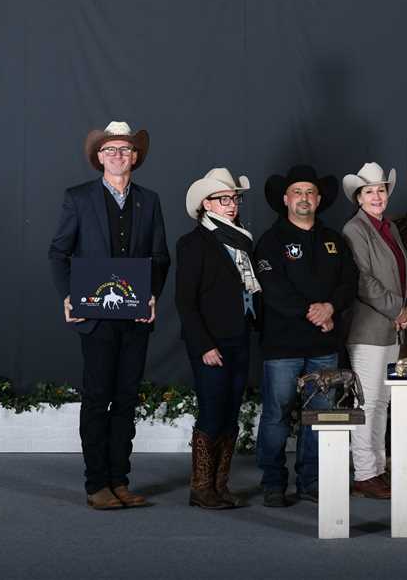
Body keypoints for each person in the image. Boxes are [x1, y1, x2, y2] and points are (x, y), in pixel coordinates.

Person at [48, 120, 170, 510]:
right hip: (95, 317)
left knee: (127, 399)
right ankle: (96, 483)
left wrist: (152, 295)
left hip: (135, 317)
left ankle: (120, 480)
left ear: (135, 157)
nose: (118, 155)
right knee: (98, 398)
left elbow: (160, 256)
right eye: (110, 150)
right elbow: (59, 252)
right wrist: (69, 296)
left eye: (125, 149)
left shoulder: (149, 201)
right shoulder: (78, 198)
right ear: (99, 157)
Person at [253, 165, 358, 507]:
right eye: (297, 192)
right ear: (285, 199)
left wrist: (330, 307)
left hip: (324, 346)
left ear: (319, 199)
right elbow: (273, 290)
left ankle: (311, 481)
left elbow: (349, 282)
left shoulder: (334, 241)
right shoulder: (271, 241)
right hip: (282, 345)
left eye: (310, 192)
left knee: (320, 416)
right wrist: (314, 314)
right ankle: (273, 483)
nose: (304, 198)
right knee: (276, 415)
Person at [176, 168, 260, 509]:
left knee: (230, 413)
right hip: (212, 342)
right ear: (205, 204)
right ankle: (201, 488)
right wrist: (204, 345)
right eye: (223, 199)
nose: (231, 204)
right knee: (212, 412)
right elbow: (185, 301)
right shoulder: (193, 243)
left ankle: (219, 485)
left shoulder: (242, 241)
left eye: (234, 198)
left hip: (240, 336)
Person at [340, 163, 407, 500]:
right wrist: (398, 309)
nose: (376, 196)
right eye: (369, 191)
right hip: (367, 329)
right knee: (367, 403)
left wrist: (405, 309)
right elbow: (363, 281)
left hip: (392, 329)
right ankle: (364, 473)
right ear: (358, 197)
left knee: (381, 402)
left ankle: (377, 469)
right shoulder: (355, 229)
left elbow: (400, 275)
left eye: (381, 190)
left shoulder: (390, 227)